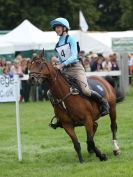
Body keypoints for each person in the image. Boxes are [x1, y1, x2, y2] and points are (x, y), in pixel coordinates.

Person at [49, 17, 109, 129]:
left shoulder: (71, 39)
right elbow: (62, 59)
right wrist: (57, 64)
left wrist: (61, 64)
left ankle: (103, 103)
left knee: (85, 90)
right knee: (50, 93)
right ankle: (60, 116)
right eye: (55, 28)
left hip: (76, 68)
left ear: (64, 28)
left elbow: (73, 56)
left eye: (58, 27)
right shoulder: (58, 44)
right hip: (65, 70)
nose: (56, 29)